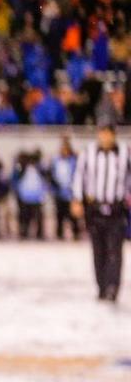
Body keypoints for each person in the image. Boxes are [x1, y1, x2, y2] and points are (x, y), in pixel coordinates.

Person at [71, 120, 131, 302]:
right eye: (102, 132)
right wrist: (77, 199)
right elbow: (79, 176)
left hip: (116, 208)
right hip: (95, 208)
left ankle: (113, 286)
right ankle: (101, 286)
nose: (105, 136)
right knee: (98, 250)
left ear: (114, 134)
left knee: (115, 250)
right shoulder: (88, 153)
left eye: (108, 133)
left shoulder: (125, 153)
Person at [13, 149, 48, 240]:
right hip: (24, 197)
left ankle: (39, 234)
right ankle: (24, 233)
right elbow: (15, 180)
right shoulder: (22, 168)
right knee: (24, 217)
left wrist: (43, 194)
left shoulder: (40, 168)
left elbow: (45, 180)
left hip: (37, 197)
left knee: (38, 216)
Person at [50, 136, 80, 240]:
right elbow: (51, 174)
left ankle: (76, 233)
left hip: (71, 192)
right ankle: (59, 233)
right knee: (60, 214)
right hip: (59, 192)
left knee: (73, 215)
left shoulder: (74, 160)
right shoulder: (56, 160)